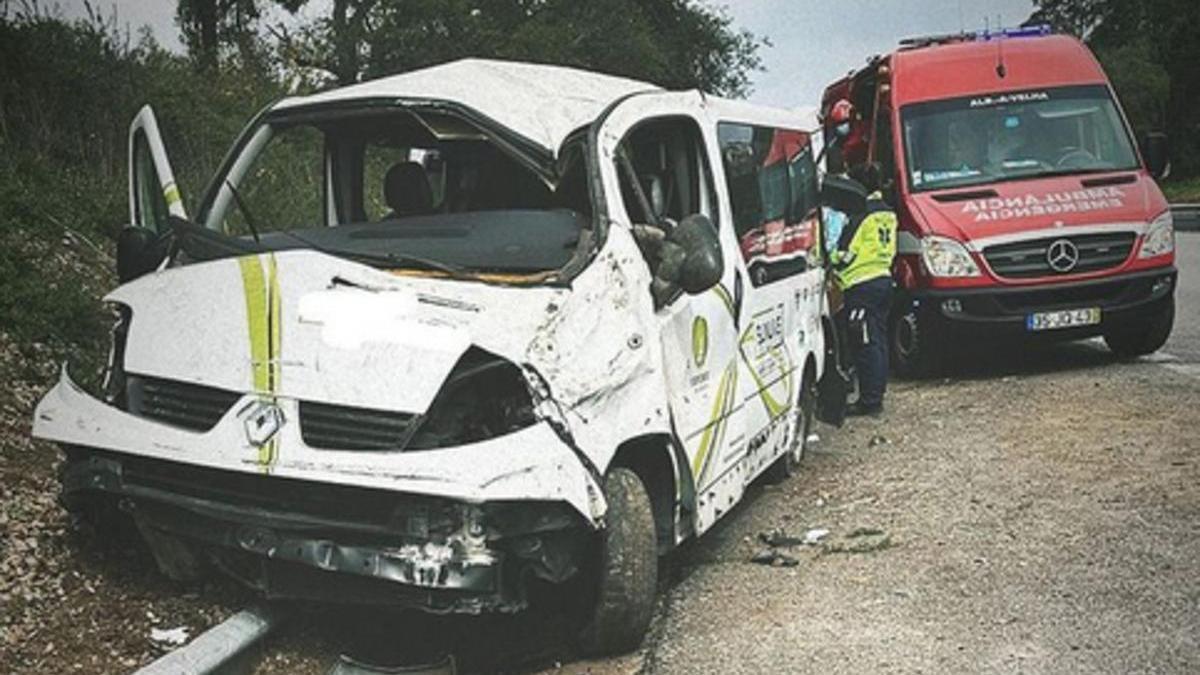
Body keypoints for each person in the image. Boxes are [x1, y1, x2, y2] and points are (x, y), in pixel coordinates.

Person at [830, 164, 896, 417]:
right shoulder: (888, 212)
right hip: (883, 279)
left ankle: (869, 401)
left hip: (861, 285)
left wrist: (829, 260)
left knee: (865, 343)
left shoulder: (860, 214)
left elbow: (845, 252)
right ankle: (876, 395)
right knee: (878, 341)